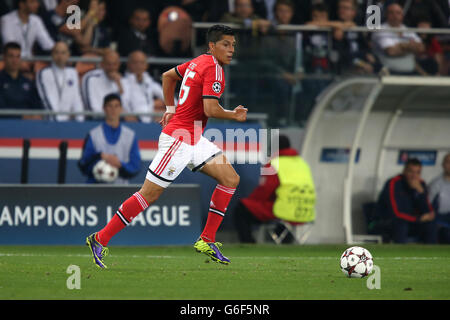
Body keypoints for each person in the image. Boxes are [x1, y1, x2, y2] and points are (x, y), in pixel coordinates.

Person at [86, 24, 247, 268]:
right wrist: (233, 115)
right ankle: (100, 238)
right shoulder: (214, 70)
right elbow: (210, 109)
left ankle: (207, 239)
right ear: (212, 46)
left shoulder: (199, 61)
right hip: (179, 139)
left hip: (193, 138)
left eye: (233, 45)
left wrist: (170, 108)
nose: (231, 49)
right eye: (226, 44)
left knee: (230, 178)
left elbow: (167, 76)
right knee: (149, 193)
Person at [233, 135, 316, 243]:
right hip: (306, 211)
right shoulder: (302, 164)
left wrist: (251, 200)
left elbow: (265, 190)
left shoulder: (274, 164)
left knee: (241, 209)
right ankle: (284, 242)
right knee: (278, 217)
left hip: (284, 209)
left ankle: (249, 244)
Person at [78, 93, 141, 184]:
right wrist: (100, 157)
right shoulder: (93, 135)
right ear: (104, 108)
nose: (113, 110)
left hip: (120, 190)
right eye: (110, 106)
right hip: (95, 188)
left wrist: (120, 164)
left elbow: (136, 166)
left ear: (121, 109)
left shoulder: (130, 136)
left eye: (116, 106)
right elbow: (84, 164)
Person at [376, 158, 437, 244]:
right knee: (401, 225)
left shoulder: (421, 184)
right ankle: (399, 254)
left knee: (431, 224)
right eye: (411, 172)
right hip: (387, 221)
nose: (414, 176)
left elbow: (429, 212)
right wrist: (418, 219)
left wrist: (421, 193)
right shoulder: (393, 183)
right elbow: (395, 213)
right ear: (404, 171)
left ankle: (432, 255)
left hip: (412, 222)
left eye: (417, 173)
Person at [371, 2, 425, 75]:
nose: (395, 16)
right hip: (389, 69)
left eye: (398, 13)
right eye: (391, 13)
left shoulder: (406, 29)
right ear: (386, 15)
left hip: (410, 68)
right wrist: (410, 48)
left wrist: (402, 46)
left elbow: (421, 48)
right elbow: (391, 51)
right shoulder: (380, 30)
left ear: (402, 15)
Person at [36, 42, 84, 121]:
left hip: (69, 124)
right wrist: (59, 122)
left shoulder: (73, 72)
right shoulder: (44, 73)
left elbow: (76, 99)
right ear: (52, 54)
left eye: (63, 53)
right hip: (51, 122)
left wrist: (80, 121)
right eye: (56, 52)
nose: (60, 56)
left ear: (68, 55)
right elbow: (48, 101)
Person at [0, 42, 43, 119]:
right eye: (11, 56)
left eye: (18, 56)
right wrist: (21, 116)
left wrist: (37, 115)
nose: (15, 60)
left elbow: (37, 105)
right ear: (4, 58)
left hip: (27, 125)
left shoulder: (27, 82)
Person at [121, 50, 165, 123]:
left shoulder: (149, 81)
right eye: (135, 62)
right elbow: (124, 104)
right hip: (133, 122)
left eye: (142, 63)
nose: (139, 66)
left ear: (146, 65)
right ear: (128, 64)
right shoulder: (123, 82)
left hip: (151, 121)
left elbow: (168, 97)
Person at [428, 153, 450, 243]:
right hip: (439, 218)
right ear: (443, 165)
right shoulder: (435, 183)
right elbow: (428, 203)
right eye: (448, 162)